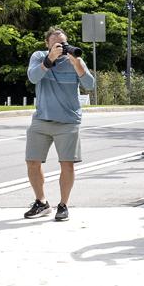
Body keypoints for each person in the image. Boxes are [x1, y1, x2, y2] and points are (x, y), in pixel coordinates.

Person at [24, 26, 96, 222]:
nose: (61, 47)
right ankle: (41, 201)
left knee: (67, 164)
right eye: (56, 43)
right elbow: (33, 77)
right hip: (41, 119)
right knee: (32, 162)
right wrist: (50, 60)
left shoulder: (74, 59)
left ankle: (63, 204)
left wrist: (78, 64)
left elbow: (90, 85)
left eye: (63, 43)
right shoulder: (39, 57)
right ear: (47, 44)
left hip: (68, 121)